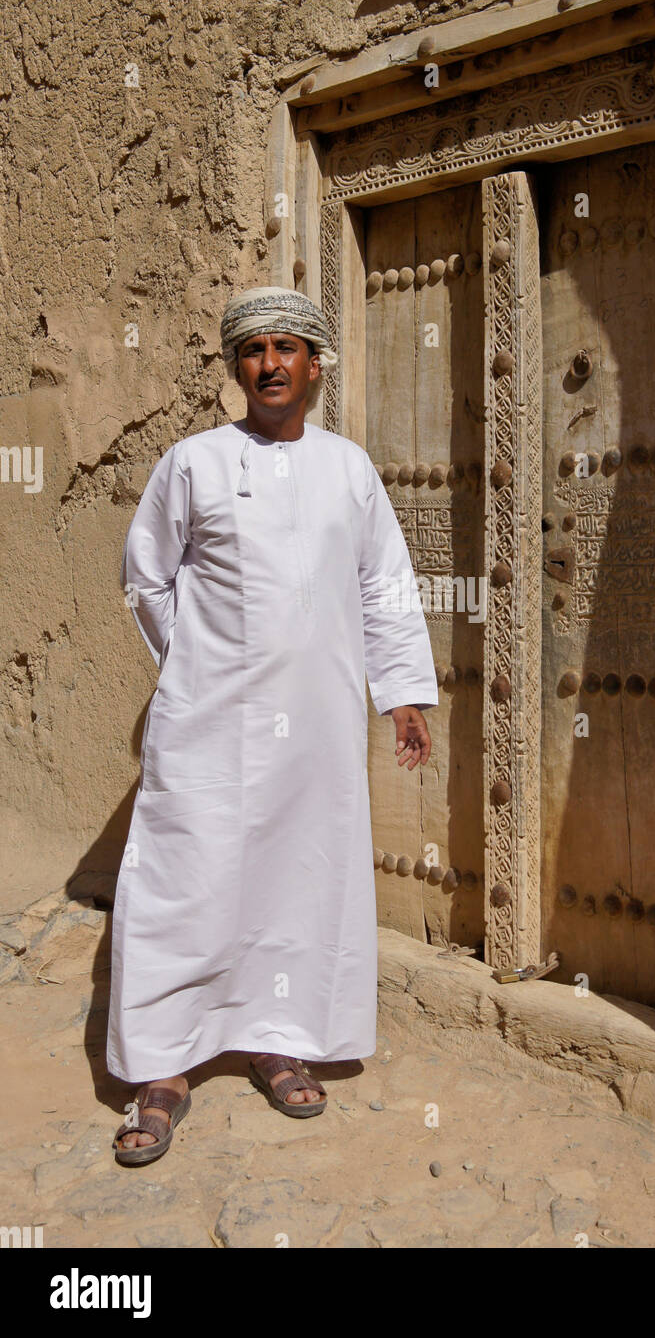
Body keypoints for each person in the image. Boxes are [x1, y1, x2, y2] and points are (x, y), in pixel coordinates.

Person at [108, 287, 438, 1164]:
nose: (271, 365)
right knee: (188, 874)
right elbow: (148, 576)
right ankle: (163, 1070)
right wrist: (200, 666)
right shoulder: (193, 463)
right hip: (207, 723)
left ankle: (277, 1038)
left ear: (315, 364)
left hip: (319, 726)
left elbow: (383, 584)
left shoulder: (349, 470)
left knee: (300, 873)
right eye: (254, 351)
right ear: (236, 368)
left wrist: (402, 689)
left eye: (288, 348)